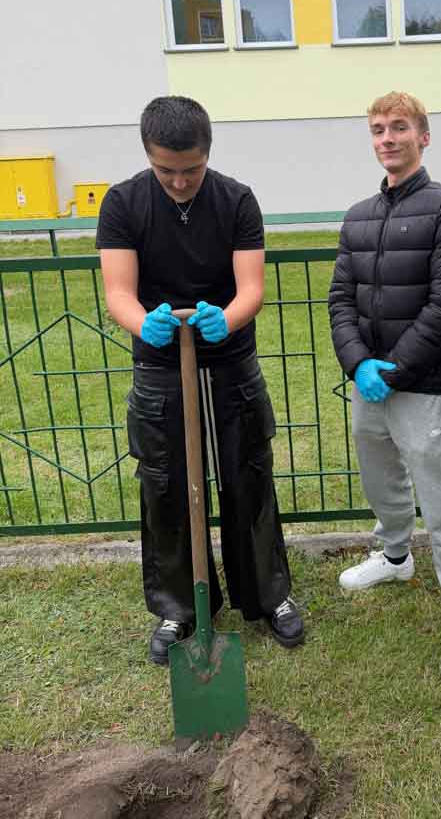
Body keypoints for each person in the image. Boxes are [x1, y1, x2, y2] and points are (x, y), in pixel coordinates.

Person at [97, 95, 303, 664]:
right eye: (166, 170)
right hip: (160, 367)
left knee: (248, 477)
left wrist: (226, 319)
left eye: (192, 169)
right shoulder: (123, 203)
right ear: (148, 155)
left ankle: (268, 596)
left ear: (207, 153)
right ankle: (179, 608)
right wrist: (145, 322)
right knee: (166, 488)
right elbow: (118, 291)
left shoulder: (236, 200)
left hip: (230, 364)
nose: (180, 181)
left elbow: (251, 288)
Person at [328, 91, 441, 681]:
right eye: (378, 129)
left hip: (422, 384)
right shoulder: (358, 216)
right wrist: (358, 365)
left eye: (399, 127)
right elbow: (340, 300)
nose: (387, 138)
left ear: (423, 136)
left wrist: (391, 369)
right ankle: (395, 555)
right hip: (368, 383)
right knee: (380, 478)